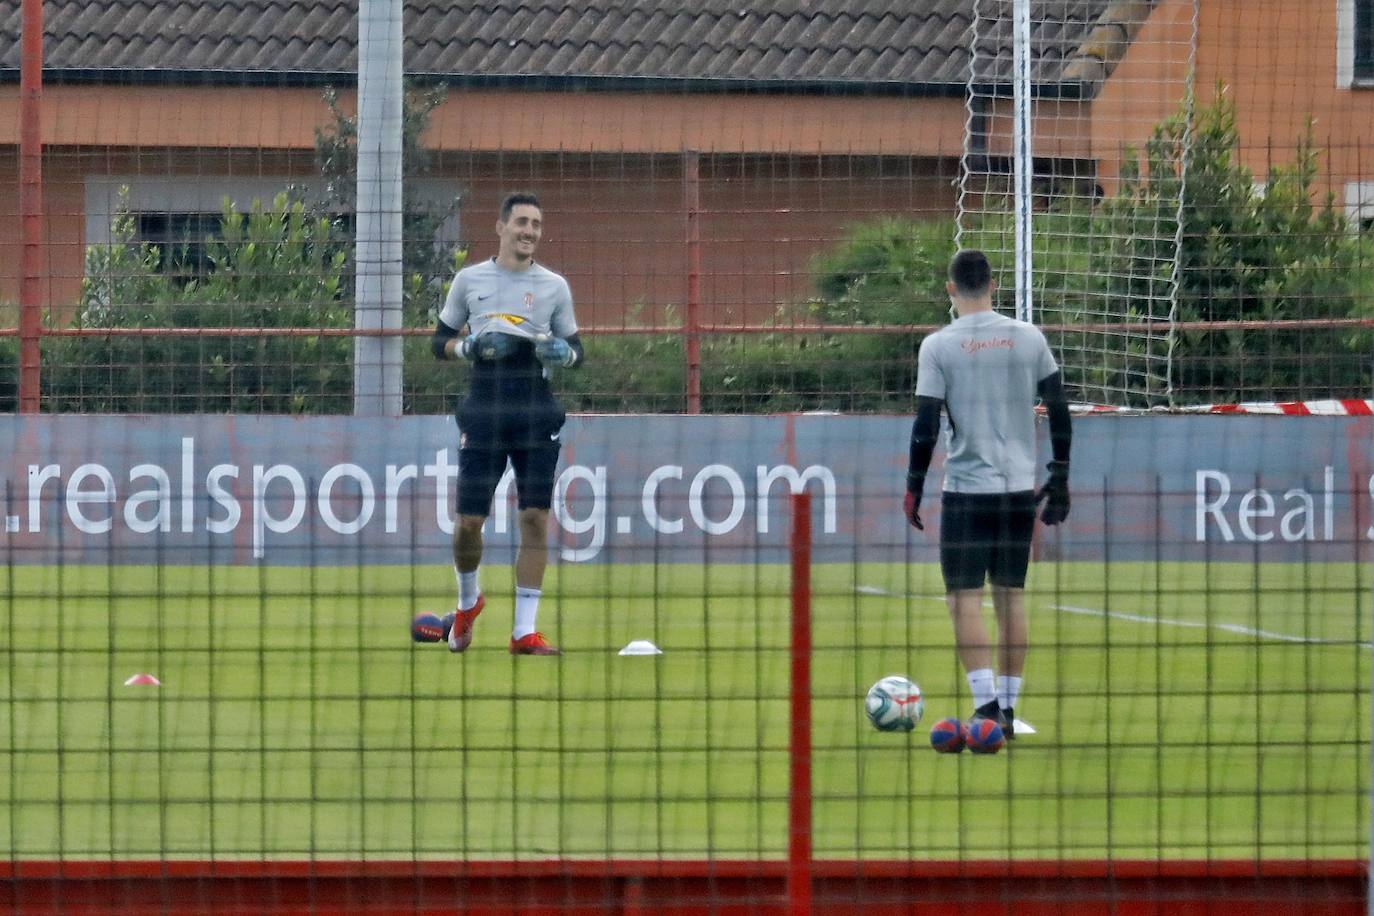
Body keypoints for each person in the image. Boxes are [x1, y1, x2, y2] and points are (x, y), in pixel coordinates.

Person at [903, 249, 1071, 738]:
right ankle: (1010, 711)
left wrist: (913, 486)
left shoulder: (938, 346)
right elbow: (1059, 408)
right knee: (1011, 598)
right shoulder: (1028, 337)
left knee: (963, 600)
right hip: (1019, 489)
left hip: (967, 490)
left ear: (950, 288)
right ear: (993, 284)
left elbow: (925, 423)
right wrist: (1060, 473)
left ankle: (986, 708)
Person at [431, 192, 584, 656]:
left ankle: (524, 633)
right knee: (467, 525)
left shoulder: (554, 286)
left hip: (535, 406)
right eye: (521, 222)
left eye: (536, 224)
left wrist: (565, 353)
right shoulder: (469, 279)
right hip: (484, 405)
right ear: (500, 227)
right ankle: (467, 602)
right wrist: (468, 348)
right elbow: (438, 343)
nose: (529, 231)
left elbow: (578, 352)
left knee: (534, 517)